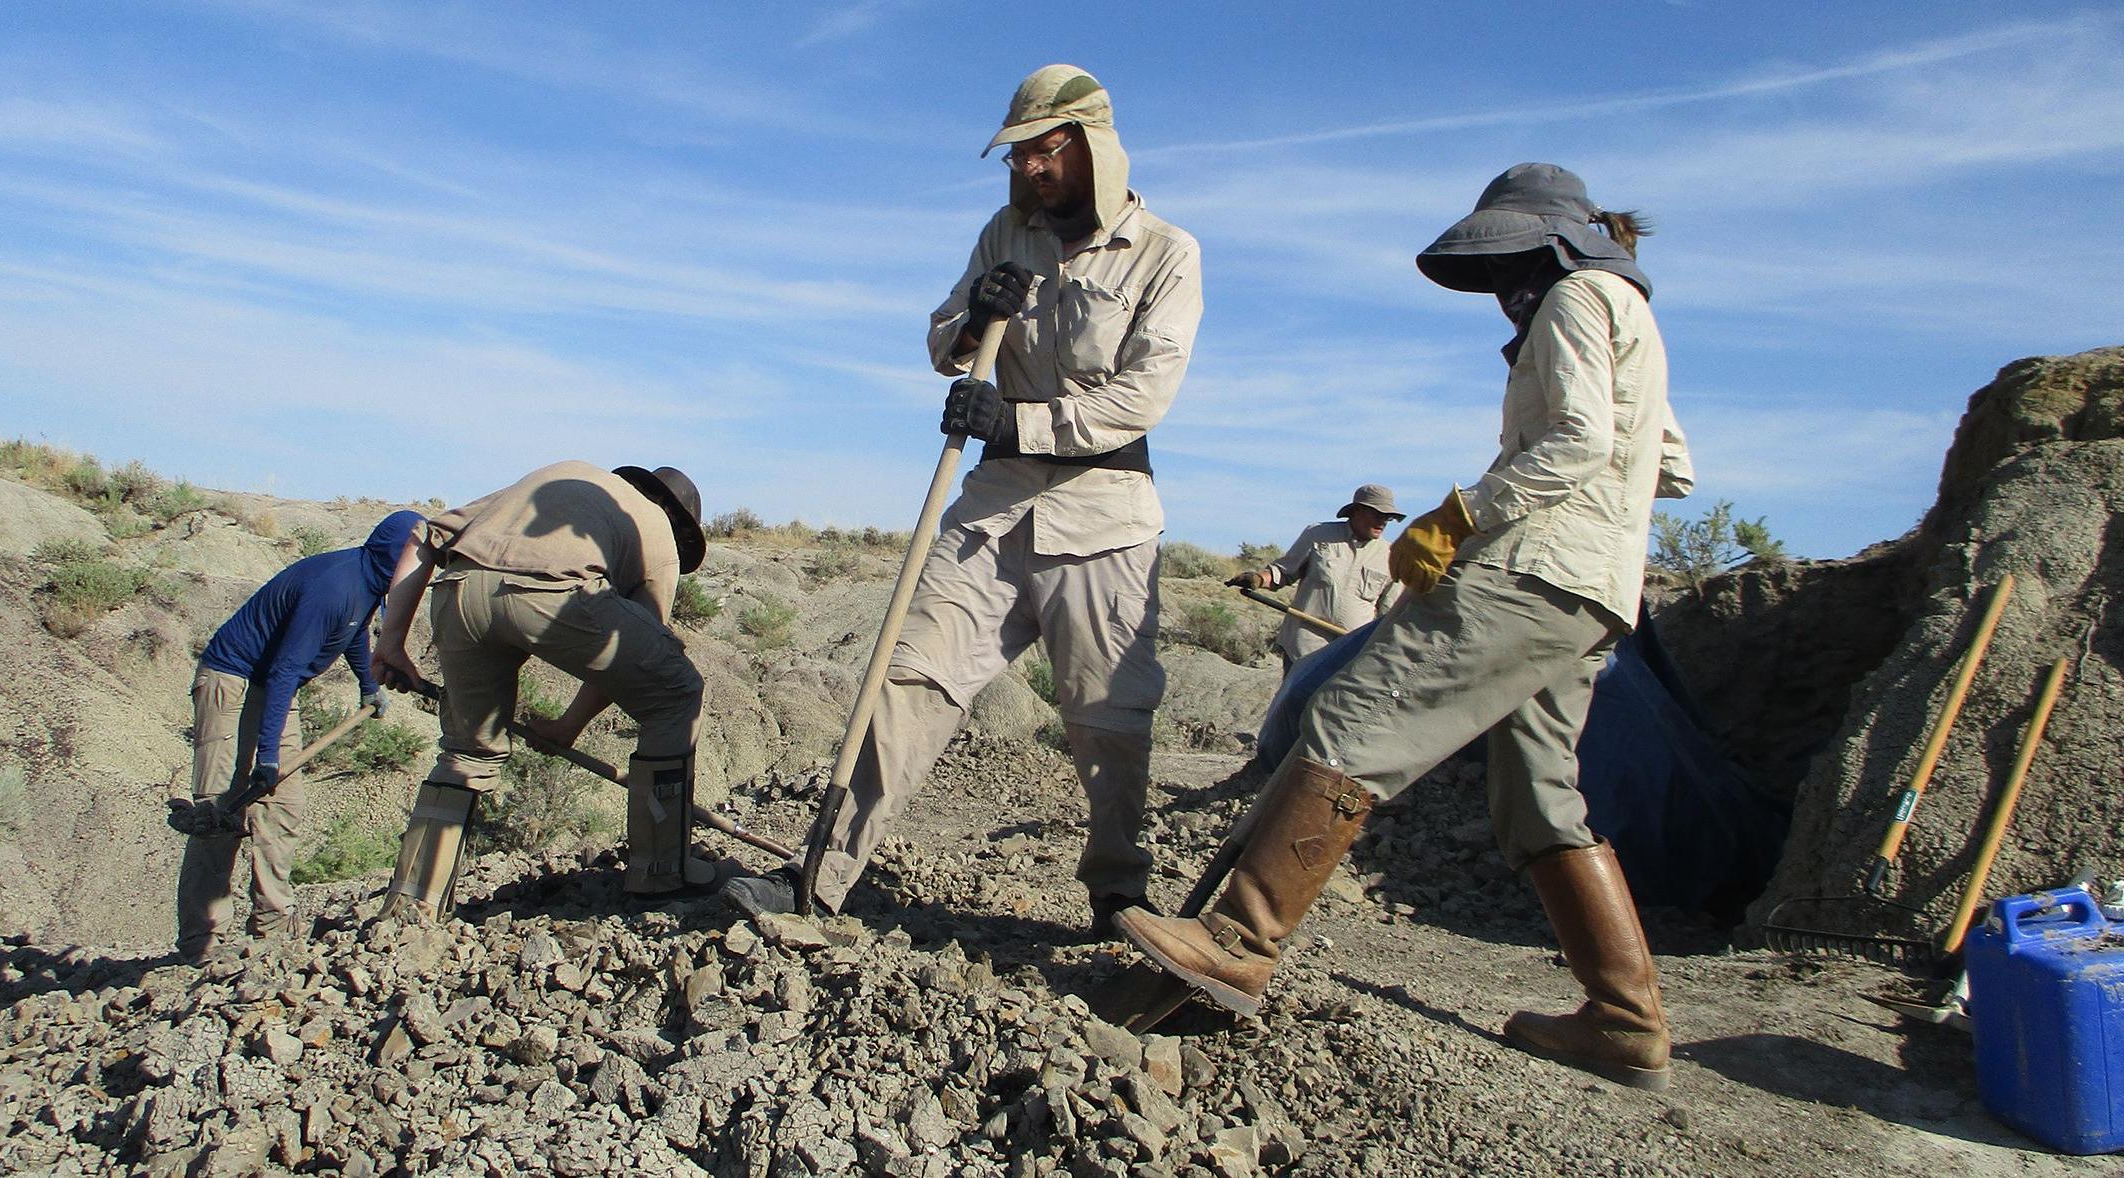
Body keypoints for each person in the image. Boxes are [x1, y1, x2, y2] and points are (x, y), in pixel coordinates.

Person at [1117, 164, 1695, 1091]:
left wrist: (1462, 514)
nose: (1504, 294)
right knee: (1541, 791)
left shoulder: (1579, 299)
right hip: (1598, 590)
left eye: (1509, 267)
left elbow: (1579, 443)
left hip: (1537, 570)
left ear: (1541, 246)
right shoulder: (1630, 311)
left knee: (1355, 718)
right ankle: (1626, 1020)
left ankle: (1237, 940)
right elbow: (1666, 465)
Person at [724, 64, 1204, 938]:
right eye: (1015, 157)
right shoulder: (1003, 234)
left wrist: (1017, 423)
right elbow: (944, 344)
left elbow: (1142, 396)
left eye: (1041, 153)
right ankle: (818, 882)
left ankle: (1119, 902)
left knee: (1109, 720)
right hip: (990, 510)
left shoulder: (1169, 253)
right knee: (906, 681)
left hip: (1104, 518)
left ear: (1090, 148)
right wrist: (971, 318)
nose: (1026, 171)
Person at [367, 461, 711, 921]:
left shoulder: (560, 479)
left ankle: (413, 903)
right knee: (676, 693)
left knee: (468, 752)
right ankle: (662, 875)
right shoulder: (655, 530)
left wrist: (391, 643)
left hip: (457, 589)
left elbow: (420, 538)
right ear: (679, 520)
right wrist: (568, 725)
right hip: (550, 593)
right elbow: (631, 643)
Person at [171, 510, 422, 962]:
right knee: (221, 814)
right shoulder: (337, 586)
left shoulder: (368, 584)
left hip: (271, 687)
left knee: (283, 807)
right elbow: (288, 666)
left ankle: (272, 930)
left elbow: (352, 633)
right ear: (398, 554)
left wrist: (368, 684)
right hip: (233, 682)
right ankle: (201, 945)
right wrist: (268, 757)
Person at [1229, 484, 1407, 673]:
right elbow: (1284, 572)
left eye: (1387, 517)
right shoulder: (1319, 535)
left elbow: (1390, 616)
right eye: (1377, 514)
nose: (1383, 521)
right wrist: (1258, 579)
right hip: (1305, 648)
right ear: (1357, 511)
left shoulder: (1392, 557)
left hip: (1350, 656)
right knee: (1298, 702)